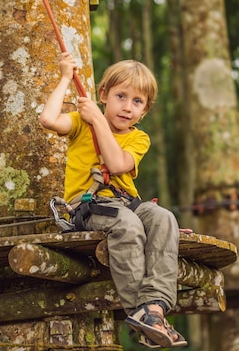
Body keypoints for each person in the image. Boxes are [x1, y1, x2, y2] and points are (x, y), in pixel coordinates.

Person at [39, 52, 188, 349]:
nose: (127, 107)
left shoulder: (138, 138)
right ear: (103, 95)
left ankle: (155, 307)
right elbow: (48, 119)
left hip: (125, 201)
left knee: (164, 218)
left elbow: (118, 164)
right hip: (90, 205)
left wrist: (99, 120)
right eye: (121, 96)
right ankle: (140, 311)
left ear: (144, 111)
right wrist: (66, 78)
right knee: (128, 225)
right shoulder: (82, 124)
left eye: (137, 102)